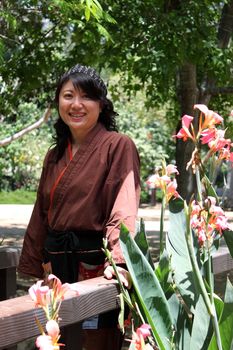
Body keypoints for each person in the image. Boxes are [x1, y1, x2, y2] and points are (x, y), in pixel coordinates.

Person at [18, 64, 141, 350]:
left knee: (93, 340)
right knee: (54, 339)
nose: (76, 104)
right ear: (58, 101)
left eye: (85, 96)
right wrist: (34, 263)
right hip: (56, 267)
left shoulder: (118, 145)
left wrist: (121, 262)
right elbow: (41, 214)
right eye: (68, 95)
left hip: (94, 268)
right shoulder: (55, 155)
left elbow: (123, 208)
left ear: (101, 104)